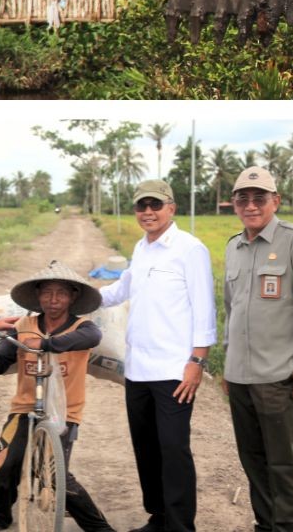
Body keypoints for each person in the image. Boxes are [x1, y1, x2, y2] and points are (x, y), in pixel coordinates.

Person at [98, 178, 216, 532]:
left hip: (173, 371)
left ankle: (181, 525)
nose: (148, 212)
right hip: (137, 369)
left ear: (171, 208)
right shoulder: (141, 247)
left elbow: (204, 310)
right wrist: (80, 296)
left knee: (174, 449)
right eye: (141, 206)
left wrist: (196, 362)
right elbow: (122, 289)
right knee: (146, 447)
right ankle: (159, 516)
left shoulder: (190, 249)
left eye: (155, 205)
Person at [0, 260, 113, 532]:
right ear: (37, 296)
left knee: (57, 477)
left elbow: (92, 338)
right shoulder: (22, 326)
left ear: (73, 297)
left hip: (64, 412)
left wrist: (45, 344)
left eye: (61, 293)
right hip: (24, 408)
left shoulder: (83, 328)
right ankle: (0, 515)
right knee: (3, 465)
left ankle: (100, 529)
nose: (53, 299)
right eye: (47, 292)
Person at [225, 165, 293, 532]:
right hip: (239, 376)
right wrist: (228, 366)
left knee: (282, 464)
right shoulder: (233, 247)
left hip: (278, 375)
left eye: (259, 198)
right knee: (252, 460)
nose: (251, 206)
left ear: (275, 201)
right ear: (234, 204)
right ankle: (265, 525)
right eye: (243, 199)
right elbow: (231, 310)